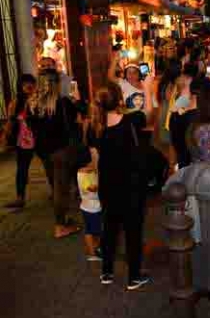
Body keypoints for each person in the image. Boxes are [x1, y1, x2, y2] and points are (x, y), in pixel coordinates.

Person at [88, 82, 151, 290]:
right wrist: (148, 89)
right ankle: (133, 276)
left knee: (110, 228)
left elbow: (95, 160)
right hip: (131, 184)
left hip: (108, 184)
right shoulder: (131, 120)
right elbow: (148, 114)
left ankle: (106, 272)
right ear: (119, 99)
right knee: (133, 230)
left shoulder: (94, 126)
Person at [27, 69, 84, 238]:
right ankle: (60, 225)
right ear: (55, 83)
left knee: (55, 185)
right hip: (60, 150)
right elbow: (78, 116)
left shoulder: (32, 104)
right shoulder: (62, 102)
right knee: (61, 188)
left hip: (43, 150)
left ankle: (64, 219)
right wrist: (77, 100)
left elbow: (32, 127)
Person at [3, 74, 37, 210]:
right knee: (22, 168)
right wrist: (5, 137)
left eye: (31, 84)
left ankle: (57, 191)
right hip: (23, 140)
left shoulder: (40, 100)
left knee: (49, 166)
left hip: (41, 138)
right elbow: (10, 121)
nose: (28, 87)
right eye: (25, 84)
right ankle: (20, 197)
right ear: (20, 86)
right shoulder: (16, 102)